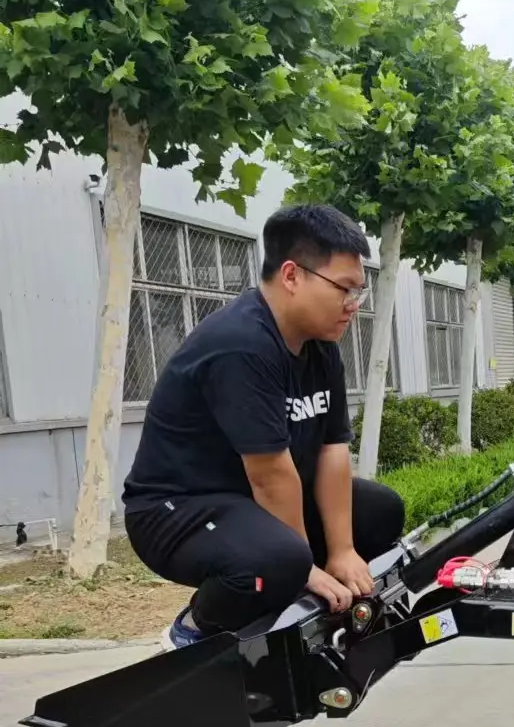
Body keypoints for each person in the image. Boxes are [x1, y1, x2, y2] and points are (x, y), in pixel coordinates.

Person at [122, 203, 405, 649]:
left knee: (380, 510)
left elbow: (332, 448)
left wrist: (342, 551)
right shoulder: (241, 345)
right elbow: (269, 474)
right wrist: (302, 569)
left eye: (359, 293)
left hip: (245, 501)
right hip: (176, 511)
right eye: (344, 289)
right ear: (292, 276)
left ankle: (297, 603)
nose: (353, 305)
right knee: (281, 559)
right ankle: (193, 629)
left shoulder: (320, 343)